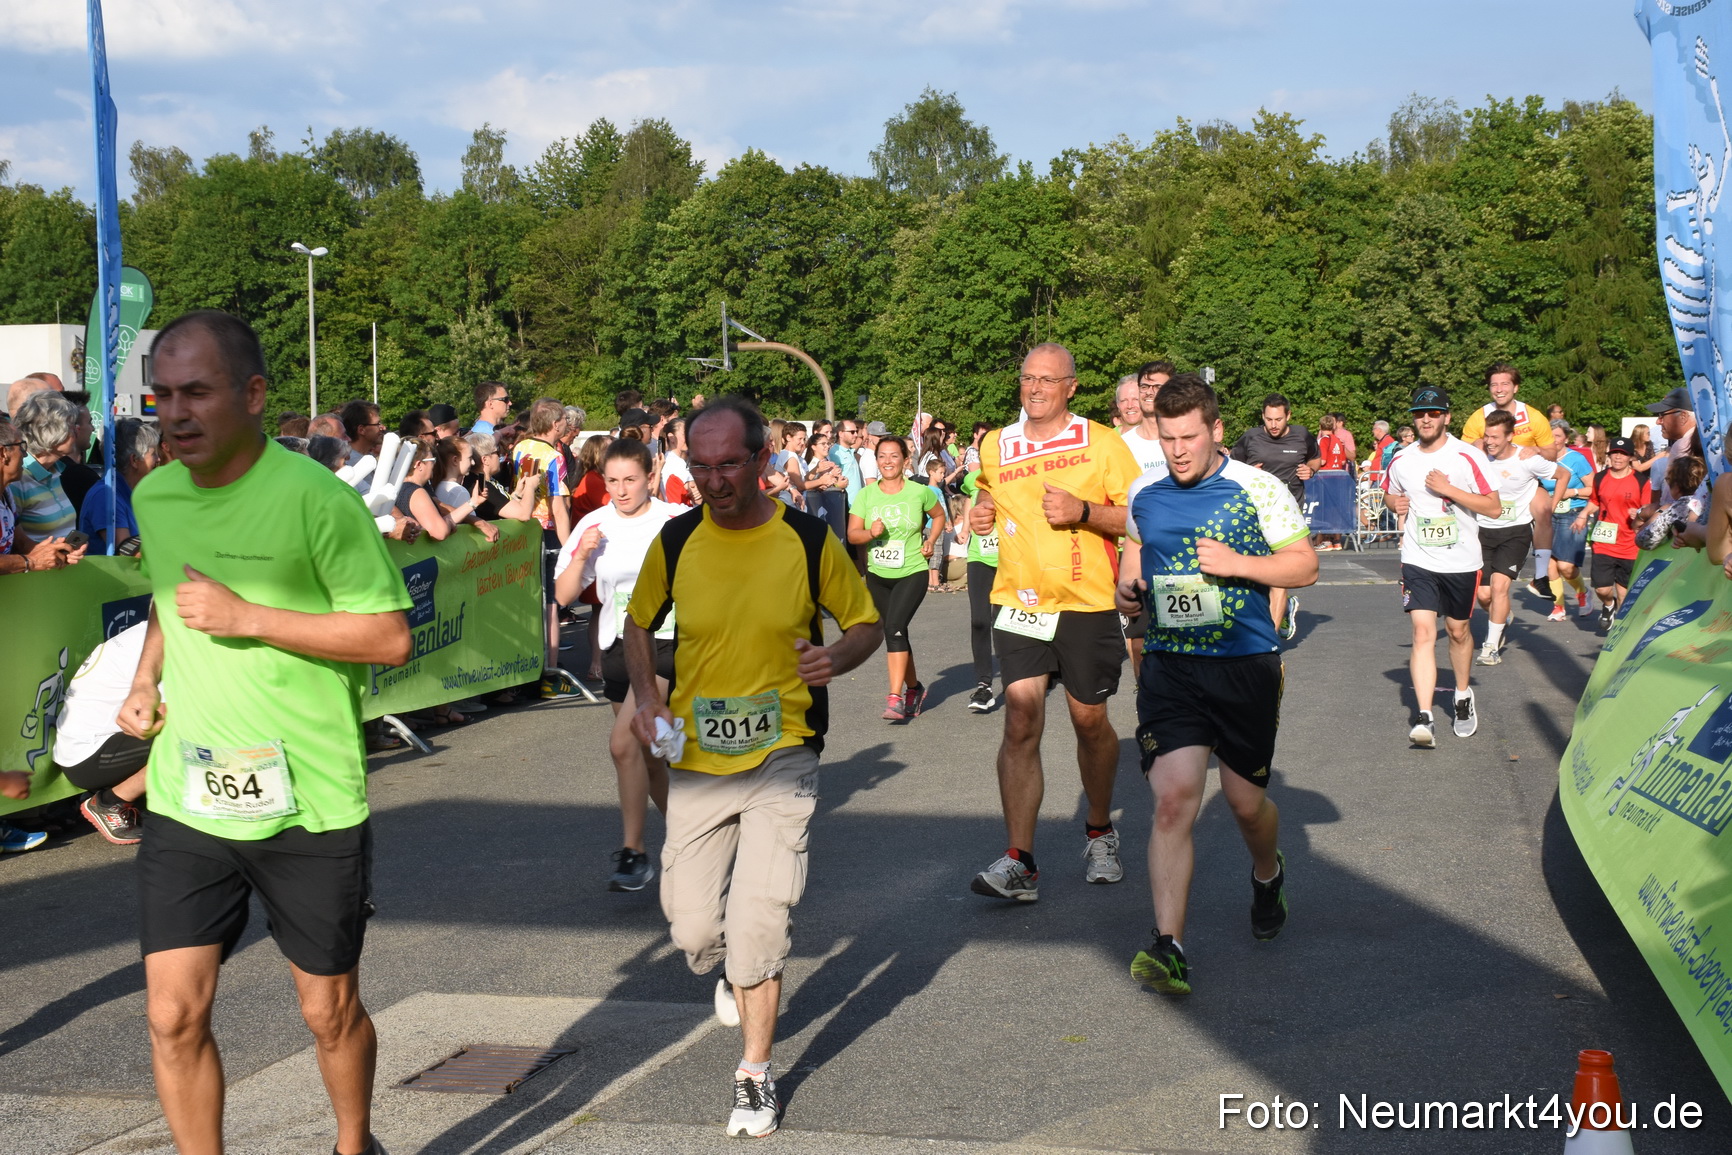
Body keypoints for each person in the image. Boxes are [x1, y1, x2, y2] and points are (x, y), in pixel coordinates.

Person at [116, 309, 412, 1155]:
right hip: (189, 792)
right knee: (172, 1013)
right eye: (162, 395)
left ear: (252, 394)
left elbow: (388, 636)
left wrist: (249, 615)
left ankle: (355, 1142)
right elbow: (173, 600)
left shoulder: (316, 500)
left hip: (307, 800)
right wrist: (145, 679)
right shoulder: (156, 493)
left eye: (196, 393)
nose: (175, 414)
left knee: (328, 1011)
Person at [624, 396, 881, 1139]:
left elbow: (863, 622)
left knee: (760, 919)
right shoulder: (675, 542)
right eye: (700, 466)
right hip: (700, 761)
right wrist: (647, 696)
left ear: (763, 461)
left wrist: (836, 655)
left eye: (729, 463)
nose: (714, 479)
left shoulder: (806, 539)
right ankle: (736, 975)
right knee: (694, 927)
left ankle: (755, 1074)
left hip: (783, 749)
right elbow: (638, 622)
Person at [1115, 373, 1316, 995]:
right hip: (1171, 665)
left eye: (1189, 437)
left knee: (1243, 804)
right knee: (1173, 800)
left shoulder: (1258, 487)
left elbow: (1305, 564)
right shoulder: (1145, 492)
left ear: (1216, 431)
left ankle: (1266, 874)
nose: (1177, 450)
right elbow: (1133, 553)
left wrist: (1238, 565)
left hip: (1244, 663)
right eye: (1167, 437)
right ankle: (1169, 945)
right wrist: (1126, 591)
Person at [967, 343, 1141, 901]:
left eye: (1047, 380)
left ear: (1071, 386)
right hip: (1020, 603)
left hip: (1087, 604)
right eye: (1027, 379)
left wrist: (1084, 512)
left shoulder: (1102, 442)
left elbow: (1143, 513)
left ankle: (1099, 829)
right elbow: (987, 499)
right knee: (1020, 718)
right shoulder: (997, 444)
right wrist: (980, 513)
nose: (1035, 388)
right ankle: (1020, 859)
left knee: (1089, 721)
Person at [554, 439, 681, 892]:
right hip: (615, 647)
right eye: (613, 481)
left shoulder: (675, 522)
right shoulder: (595, 522)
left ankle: (635, 853)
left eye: (631, 480)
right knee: (647, 760)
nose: (622, 491)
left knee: (622, 744)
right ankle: (689, 843)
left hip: (665, 643)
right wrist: (585, 552)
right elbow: (565, 595)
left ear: (650, 476)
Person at [1380, 386, 1501, 747]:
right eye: (1420, 413)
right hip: (1418, 558)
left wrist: (1448, 490)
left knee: (1459, 631)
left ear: (1447, 416)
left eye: (1434, 413)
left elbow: (1493, 507)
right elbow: (1390, 491)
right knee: (1422, 632)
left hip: (1462, 559)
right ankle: (1424, 716)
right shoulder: (1401, 459)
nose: (1426, 419)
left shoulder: (1468, 457)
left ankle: (1462, 696)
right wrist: (1394, 503)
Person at [848, 436, 945, 720]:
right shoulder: (866, 495)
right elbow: (853, 534)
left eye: (893, 456)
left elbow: (937, 516)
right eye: (882, 456)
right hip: (878, 574)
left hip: (912, 571)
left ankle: (894, 698)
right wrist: (870, 534)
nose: (887, 462)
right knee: (895, 631)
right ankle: (913, 687)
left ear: (905, 461)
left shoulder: (920, 492)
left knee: (894, 627)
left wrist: (931, 539)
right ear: (876, 461)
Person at [1471, 411, 1568, 665]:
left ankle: (1490, 646)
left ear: (1510, 436)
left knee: (1500, 587)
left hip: (1515, 532)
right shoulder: (1479, 457)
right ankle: (1503, 616)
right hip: (1482, 531)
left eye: (1495, 436)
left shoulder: (1526, 459)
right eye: (1486, 436)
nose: (1489, 441)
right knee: (1483, 595)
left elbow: (1563, 475)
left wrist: (1551, 505)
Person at [1460, 363, 1560, 596]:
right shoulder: (1479, 417)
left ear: (1515, 387)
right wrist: (1476, 445)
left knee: (1544, 509)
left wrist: (1536, 450)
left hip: (1523, 481)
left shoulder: (1533, 416)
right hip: (1489, 484)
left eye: (1505, 383)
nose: (1499, 389)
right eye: (1494, 384)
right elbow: (1463, 454)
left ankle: (1541, 576)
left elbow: (1552, 453)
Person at [55, 621, 155, 844]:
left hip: (90, 748)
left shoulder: (152, 630)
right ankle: (110, 802)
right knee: (193, 733)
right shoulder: (163, 644)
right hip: (89, 757)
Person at [1229, 394, 1319, 640]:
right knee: (1254, 575)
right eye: (1268, 419)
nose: (1273, 425)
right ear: (1263, 417)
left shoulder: (1302, 435)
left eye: (1278, 419)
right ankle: (1284, 608)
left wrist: (1310, 469)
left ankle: (1267, 642)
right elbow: (1228, 466)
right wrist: (1247, 472)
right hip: (1254, 513)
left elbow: (1315, 457)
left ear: (1288, 416)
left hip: (1288, 516)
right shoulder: (1250, 437)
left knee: (1278, 576)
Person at [513, 399, 582, 699]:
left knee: (530, 604)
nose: (568, 426)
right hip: (548, 533)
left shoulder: (519, 448)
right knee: (551, 607)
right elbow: (558, 505)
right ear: (556, 425)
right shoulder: (554, 456)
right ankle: (550, 677)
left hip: (524, 529)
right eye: (565, 422)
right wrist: (569, 550)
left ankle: (532, 668)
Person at [1119, 362, 1172, 673]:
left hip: (1179, 548)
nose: (1151, 393)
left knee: (1186, 629)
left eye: (1159, 387)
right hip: (1136, 550)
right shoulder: (1121, 445)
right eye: (1145, 387)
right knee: (1138, 639)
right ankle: (1146, 695)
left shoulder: (1183, 434)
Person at [1572, 437, 1649, 632]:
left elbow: (1648, 509)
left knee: (1624, 594)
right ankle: (1608, 606)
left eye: (1622, 454)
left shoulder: (1641, 481)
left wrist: (1639, 513)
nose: (1617, 457)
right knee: (1602, 589)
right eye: (1614, 453)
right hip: (1604, 541)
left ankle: (1619, 635)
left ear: (1630, 457)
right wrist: (1583, 514)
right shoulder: (1600, 478)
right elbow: (1595, 501)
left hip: (1630, 544)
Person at [0, 417, 86, 575]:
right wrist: (30, 562)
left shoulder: (6, 493)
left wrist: (54, 552)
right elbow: (30, 559)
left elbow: (20, 542)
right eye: (21, 447)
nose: (25, 455)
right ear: (3, 453)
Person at [80, 417, 162, 553]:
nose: (159, 459)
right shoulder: (106, 495)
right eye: (154, 454)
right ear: (135, 460)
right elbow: (126, 551)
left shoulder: (128, 491)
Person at [8, 390, 82, 542]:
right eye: (71, 425)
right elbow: (11, 542)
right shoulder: (18, 478)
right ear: (49, 431)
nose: (77, 429)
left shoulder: (56, 470)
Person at [1541, 435, 1597, 622]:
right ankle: (1558, 607)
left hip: (1573, 512)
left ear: (1565, 438)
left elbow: (1595, 489)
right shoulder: (1541, 459)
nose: (1553, 440)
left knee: (1565, 566)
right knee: (1549, 563)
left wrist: (1571, 492)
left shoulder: (1576, 459)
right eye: (1550, 436)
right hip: (1548, 513)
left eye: (1557, 435)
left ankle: (1583, 592)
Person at [959, 468, 1001, 711]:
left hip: (1011, 560)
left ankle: (1023, 678)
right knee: (980, 621)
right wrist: (966, 527)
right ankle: (984, 685)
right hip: (980, 556)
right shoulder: (972, 477)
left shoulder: (1015, 472)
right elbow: (968, 499)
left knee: (1005, 622)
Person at [429, 436, 501, 543]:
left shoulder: (438, 486)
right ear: (455, 460)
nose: (472, 463)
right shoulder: (459, 491)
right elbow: (470, 530)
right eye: (469, 458)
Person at [462, 430, 538, 521]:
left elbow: (502, 506)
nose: (500, 456)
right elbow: (523, 515)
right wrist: (530, 486)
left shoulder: (484, 480)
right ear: (485, 460)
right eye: (497, 452)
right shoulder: (481, 487)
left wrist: (517, 494)